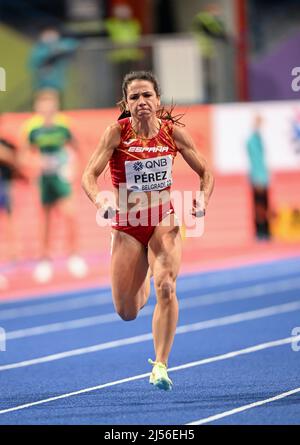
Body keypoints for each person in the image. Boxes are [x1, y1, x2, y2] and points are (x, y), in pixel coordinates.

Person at [82, 71, 214, 390]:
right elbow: (89, 175)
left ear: (157, 99)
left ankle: (161, 365)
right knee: (127, 312)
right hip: (127, 227)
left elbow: (206, 171)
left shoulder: (173, 133)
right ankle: (141, 277)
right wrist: (99, 199)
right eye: (134, 97)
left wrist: (201, 198)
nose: (141, 102)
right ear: (125, 103)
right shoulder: (116, 133)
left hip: (162, 220)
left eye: (147, 95)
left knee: (167, 286)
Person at [22, 89, 88, 283]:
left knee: (70, 215)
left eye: (50, 105)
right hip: (44, 180)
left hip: (61, 178)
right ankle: (45, 260)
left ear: (56, 106)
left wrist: (73, 168)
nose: (47, 108)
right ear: (37, 107)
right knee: (45, 220)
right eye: (43, 105)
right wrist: (35, 164)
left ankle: (74, 256)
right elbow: (23, 155)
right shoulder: (32, 129)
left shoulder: (64, 126)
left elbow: (78, 148)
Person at [29, 25, 78, 101]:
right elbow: (34, 64)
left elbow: (72, 44)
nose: (50, 37)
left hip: (58, 86)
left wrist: (57, 48)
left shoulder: (62, 45)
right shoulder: (38, 49)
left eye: (52, 34)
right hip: (43, 86)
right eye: (47, 34)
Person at [0, 135, 24, 288]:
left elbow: (14, 157)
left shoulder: (5, 141)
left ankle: (15, 252)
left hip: (3, 184)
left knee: (9, 219)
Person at [246, 114, 271, 240]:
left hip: (263, 177)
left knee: (265, 205)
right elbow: (255, 161)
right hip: (258, 178)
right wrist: (258, 178)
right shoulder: (252, 141)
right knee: (259, 205)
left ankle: (265, 229)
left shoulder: (259, 139)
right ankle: (261, 230)